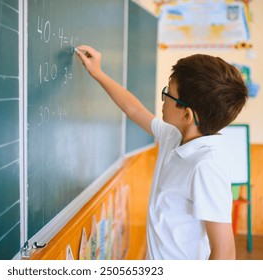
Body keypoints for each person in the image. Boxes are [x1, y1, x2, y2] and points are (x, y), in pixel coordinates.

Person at [75, 45, 248, 260]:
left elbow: (225, 253)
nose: (163, 99)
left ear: (187, 116)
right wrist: (98, 73)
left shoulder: (206, 166)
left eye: (168, 94)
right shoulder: (175, 135)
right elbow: (134, 110)